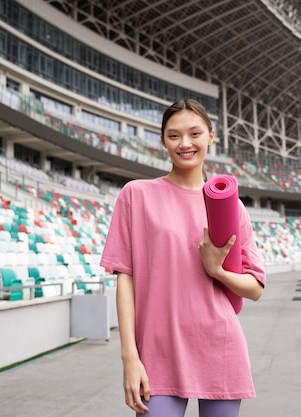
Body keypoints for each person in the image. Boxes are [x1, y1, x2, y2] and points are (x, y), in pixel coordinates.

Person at [100, 99, 266, 417]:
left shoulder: (233, 209)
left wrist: (216, 269)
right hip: (157, 354)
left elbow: (255, 288)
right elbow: (125, 278)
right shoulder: (136, 195)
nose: (185, 144)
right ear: (163, 140)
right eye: (174, 135)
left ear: (211, 136)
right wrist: (129, 358)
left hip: (220, 347)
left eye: (195, 133)